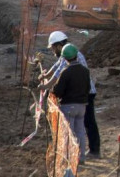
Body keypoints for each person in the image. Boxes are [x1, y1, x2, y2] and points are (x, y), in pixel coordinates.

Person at [40, 31, 101, 159]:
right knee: (82, 124)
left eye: (52, 48)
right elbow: (56, 67)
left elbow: (59, 73)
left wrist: (45, 86)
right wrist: (45, 75)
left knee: (88, 122)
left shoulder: (72, 55)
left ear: (58, 46)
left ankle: (94, 151)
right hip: (82, 92)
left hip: (85, 92)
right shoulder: (68, 53)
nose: (52, 50)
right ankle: (83, 152)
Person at [51, 43, 91, 164]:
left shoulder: (66, 72)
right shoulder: (85, 71)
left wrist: (53, 90)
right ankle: (81, 157)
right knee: (80, 132)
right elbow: (88, 87)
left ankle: (70, 159)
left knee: (69, 134)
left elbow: (58, 91)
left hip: (68, 106)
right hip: (82, 106)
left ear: (65, 58)